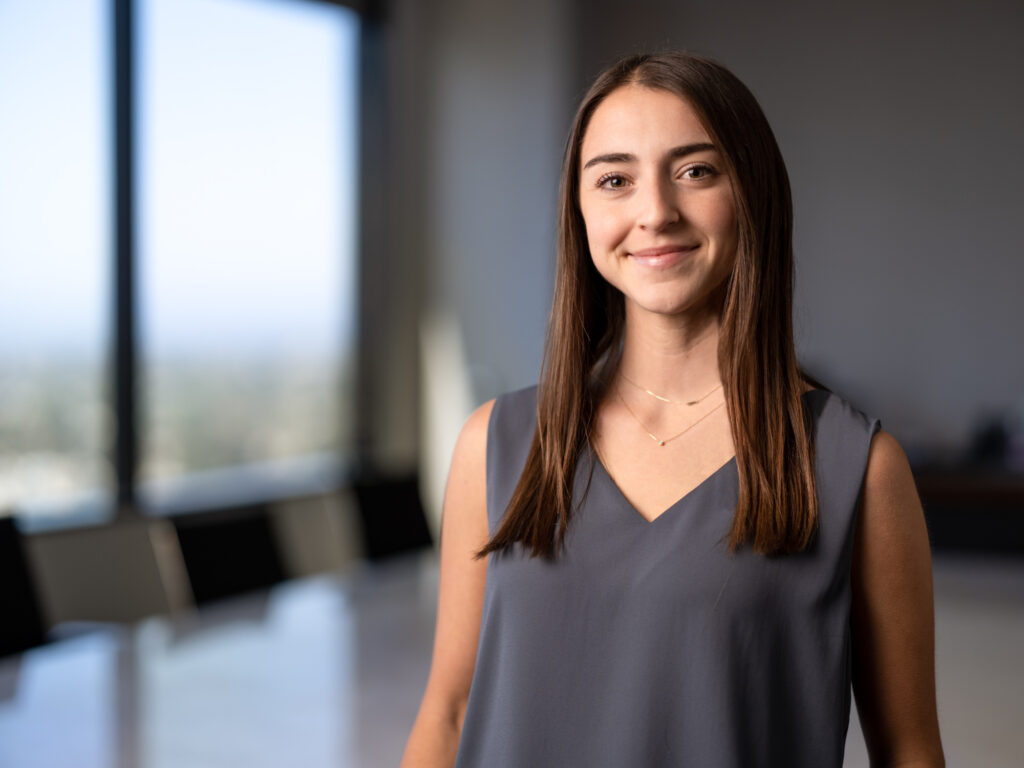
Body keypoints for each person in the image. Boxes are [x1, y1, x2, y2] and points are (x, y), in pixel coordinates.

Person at [401, 51, 944, 768]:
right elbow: (449, 713)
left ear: (752, 190)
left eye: (695, 171)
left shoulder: (857, 470)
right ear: (581, 210)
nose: (655, 212)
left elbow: (909, 751)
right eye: (616, 180)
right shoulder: (496, 445)